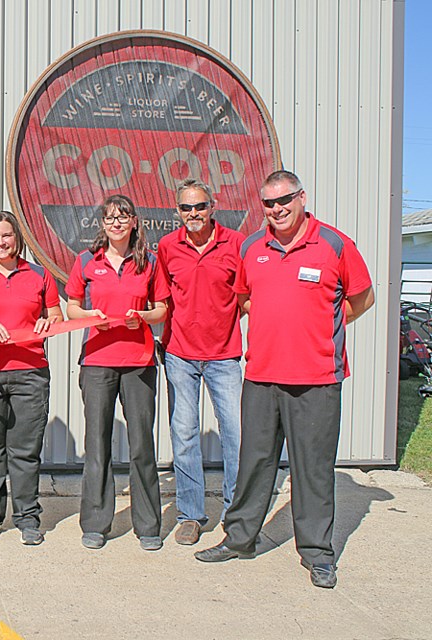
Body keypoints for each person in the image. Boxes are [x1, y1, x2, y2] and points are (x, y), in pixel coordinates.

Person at [195, 171, 375, 589]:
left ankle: (317, 553)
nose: (277, 209)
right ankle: (240, 539)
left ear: (302, 197)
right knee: (254, 463)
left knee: (312, 468)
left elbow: (362, 296)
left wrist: (324, 323)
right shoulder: (252, 247)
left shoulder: (334, 243)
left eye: (284, 200)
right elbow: (243, 297)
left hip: (316, 378)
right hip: (261, 374)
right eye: (269, 203)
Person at [65, 195, 170, 552]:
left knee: (142, 444)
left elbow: (161, 310)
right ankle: (96, 523)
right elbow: (72, 306)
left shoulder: (149, 263)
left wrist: (141, 317)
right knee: (97, 444)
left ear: (135, 222)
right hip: (97, 360)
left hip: (138, 361)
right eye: (110, 218)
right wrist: (91, 317)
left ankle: (148, 525)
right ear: (102, 224)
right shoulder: (86, 262)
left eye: (123, 218)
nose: (116, 224)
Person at [0, 210, 63, 546]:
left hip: (30, 372)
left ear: (17, 238)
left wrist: (49, 324)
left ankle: (28, 516)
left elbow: (56, 315)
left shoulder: (38, 274)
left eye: (7, 235)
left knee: (25, 448)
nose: (1, 242)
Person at [156, 178, 245, 545]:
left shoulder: (236, 244)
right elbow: (162, 300)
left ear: (213, 206)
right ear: (177, 211)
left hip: (224, 356)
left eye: (200, 206)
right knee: (185, 435)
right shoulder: (167, 246)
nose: (193, 214)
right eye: (186, 208)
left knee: (237, 436)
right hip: (179, 355)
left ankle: (235, 513)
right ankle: (191, 514)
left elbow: (245, 298)